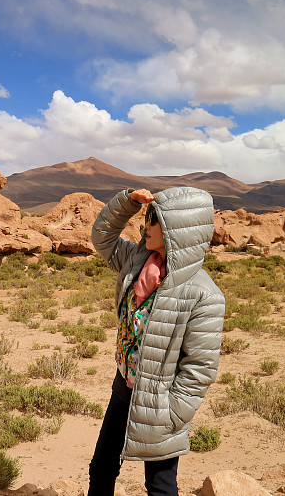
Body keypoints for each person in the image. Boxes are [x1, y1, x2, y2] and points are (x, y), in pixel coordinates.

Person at [87, 187, 225, 496]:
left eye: (154, 220)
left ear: (177, 229)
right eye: (147, 219)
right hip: (124, 387)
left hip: (162, 400)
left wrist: (173, 413)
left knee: (160, 486)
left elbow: (200, 367)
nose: (145, 227)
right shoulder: (137, 262)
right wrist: (128, 203)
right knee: (102, 469)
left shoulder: (203, 294)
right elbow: (103, 238)